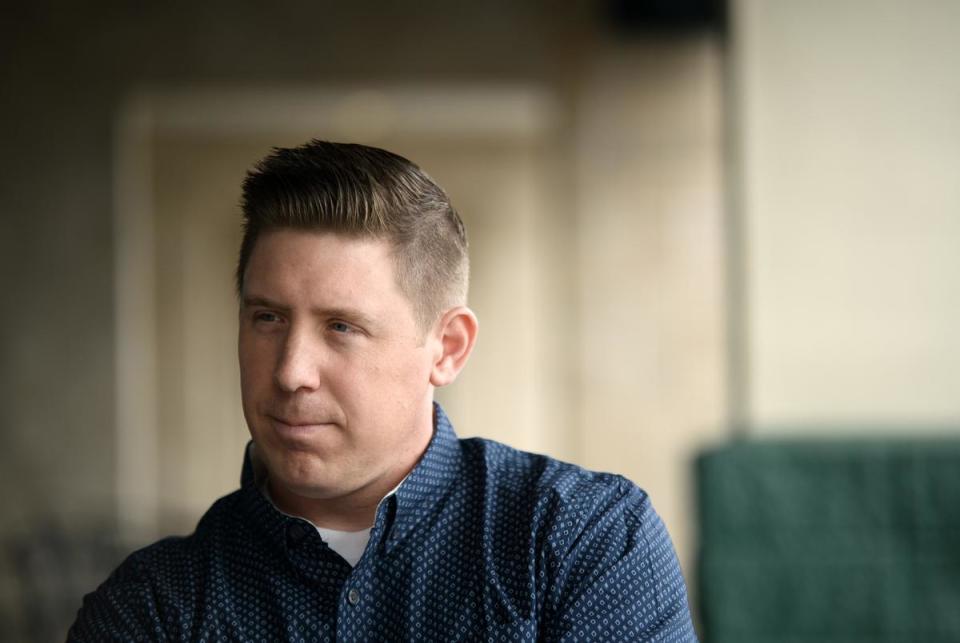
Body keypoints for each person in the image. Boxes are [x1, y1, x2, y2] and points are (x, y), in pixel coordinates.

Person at [69, 141, 698, 641]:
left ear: (447, 348)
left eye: (341, 327)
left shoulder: (580, 540)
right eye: (267, 318)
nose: (290, 371)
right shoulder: (152, 606)